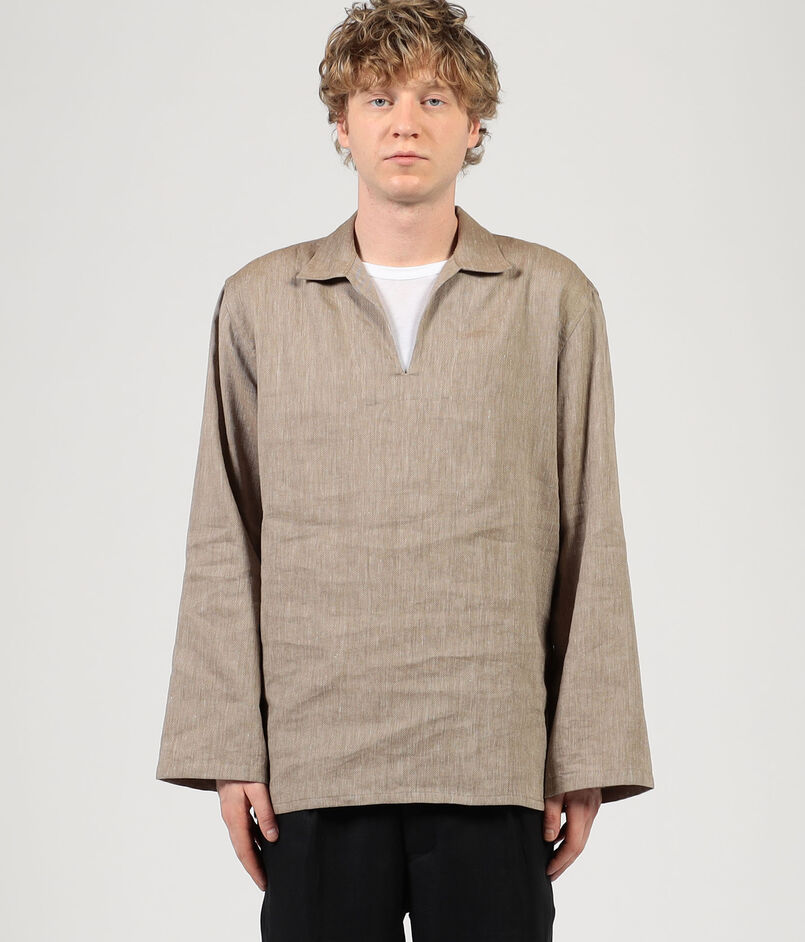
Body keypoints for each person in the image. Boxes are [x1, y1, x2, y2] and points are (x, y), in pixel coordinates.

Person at [156, 1, 655, 938]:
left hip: (491, 750)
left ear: (474, 126)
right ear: (341, 125)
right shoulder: (263, 301)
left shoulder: (551, 299)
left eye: (435, 98)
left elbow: (592, 530)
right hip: (315, 754)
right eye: (378, 98)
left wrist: (585, 751)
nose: (405, 123)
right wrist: (229, 748)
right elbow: (223, 530)